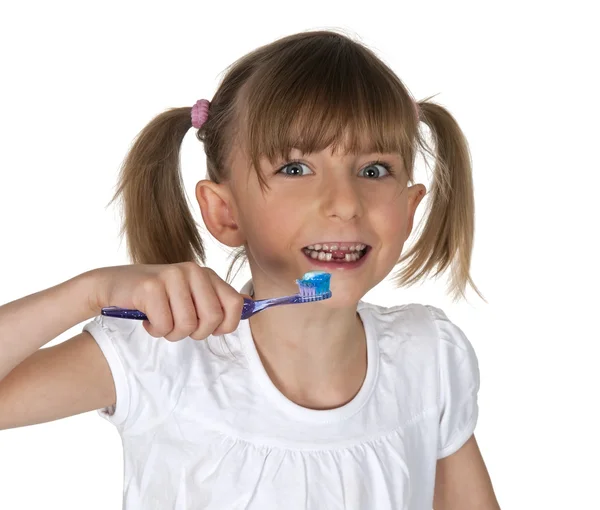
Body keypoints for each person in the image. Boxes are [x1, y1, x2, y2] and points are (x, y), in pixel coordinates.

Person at [0, 30, 501, 509]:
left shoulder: (429, 357)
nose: (345, 203)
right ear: (225, 212)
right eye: (295, 169)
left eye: (374, 170)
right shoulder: (162, 357)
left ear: (411, 208)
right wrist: (91, 290)